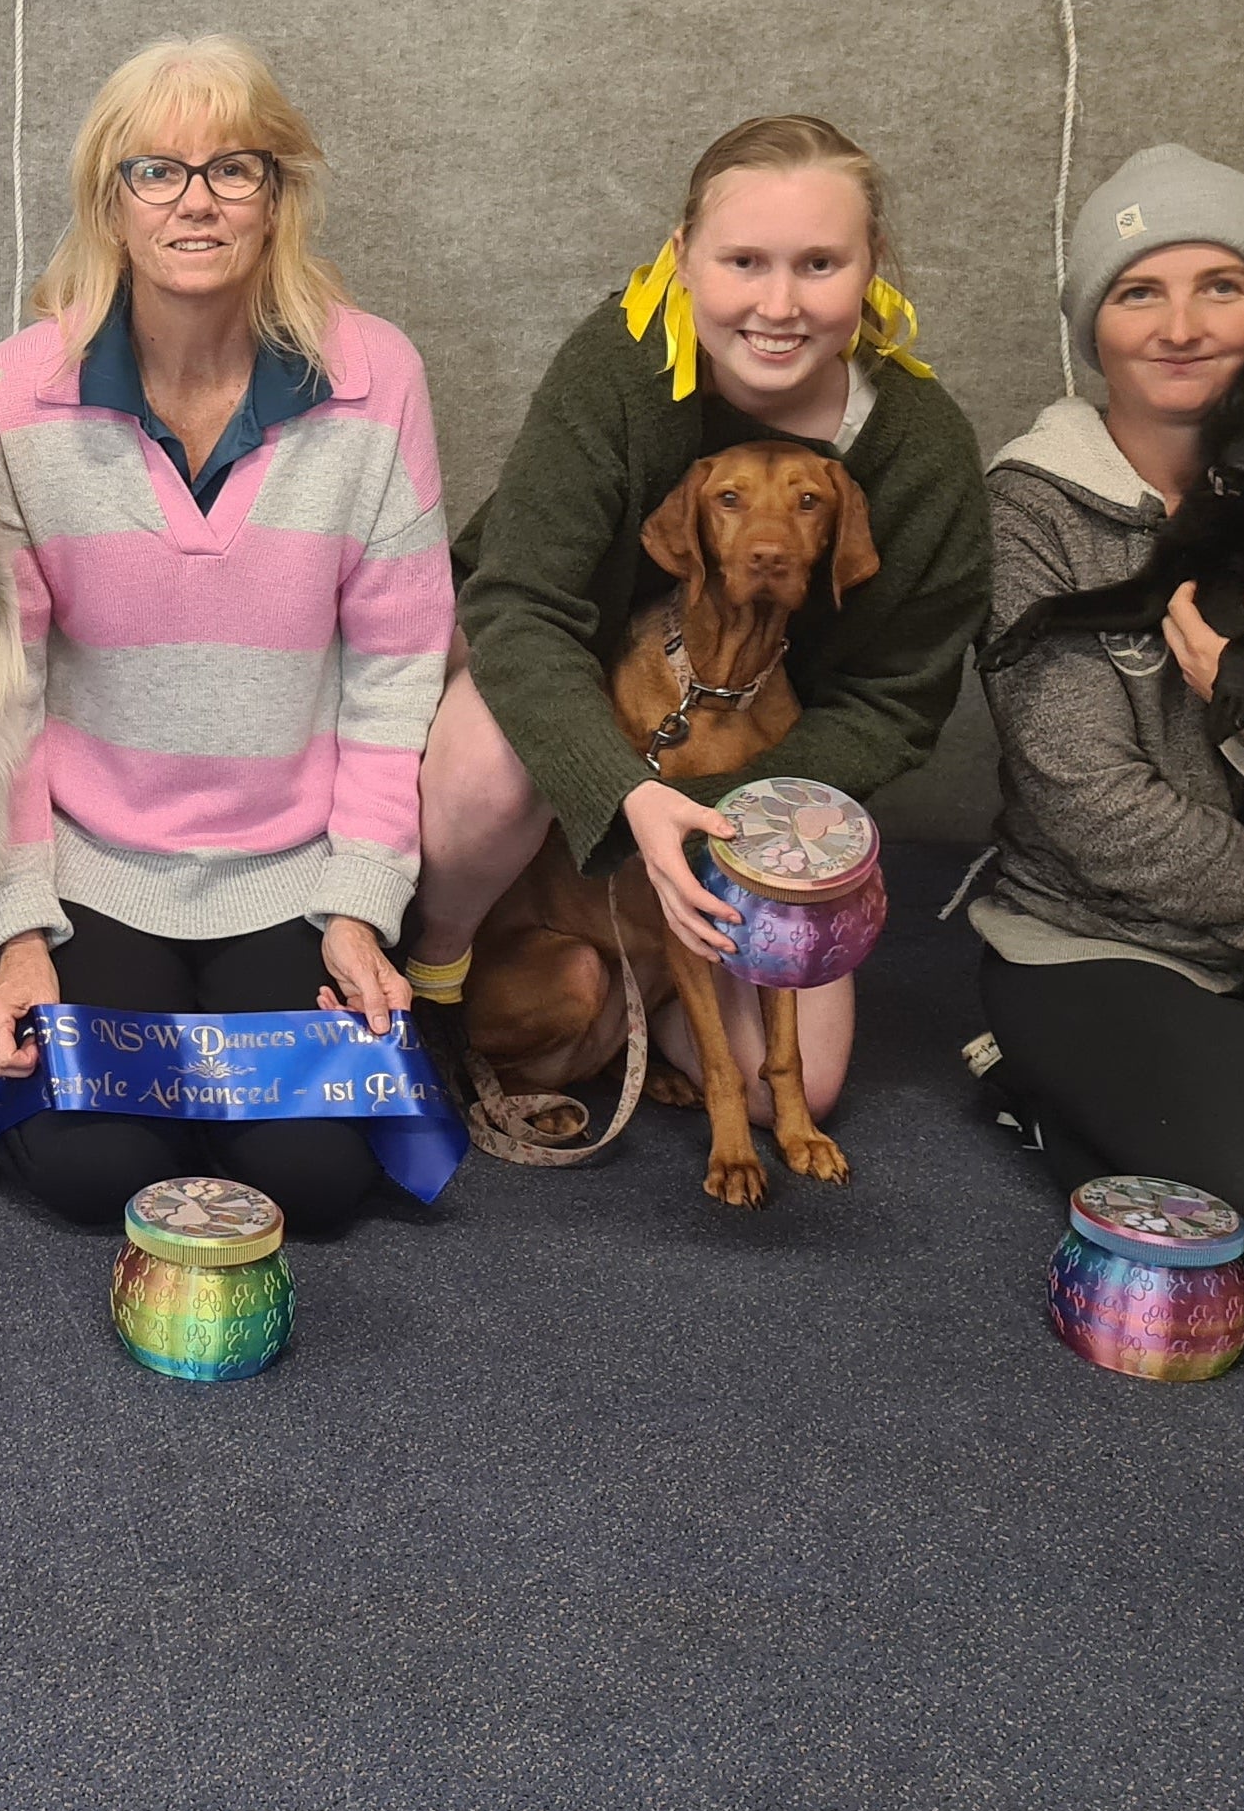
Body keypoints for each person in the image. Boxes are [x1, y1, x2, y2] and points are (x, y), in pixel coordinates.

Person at [407, 113, 989, 1115]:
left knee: (797, 1092)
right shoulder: (625, 368)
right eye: (743, 261)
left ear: (872, 266)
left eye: (818, 264)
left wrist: (729, 826)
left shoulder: (919, 450)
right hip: (546, 657)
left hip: (745, 742)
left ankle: (619, 995)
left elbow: (896, 704)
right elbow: (522, 608)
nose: (777, 304)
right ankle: (434, 978)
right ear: (682, 260)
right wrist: (630, 795)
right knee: (492, 764)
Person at [0, 35, 451, 1236]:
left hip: (290, 870)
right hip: (92, 867)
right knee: (91, 1172)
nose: (195, 200)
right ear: (106, 202)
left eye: (235, 169)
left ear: (278, 197)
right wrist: (18, 930)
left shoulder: (376, 378)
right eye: (155, 171)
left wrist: (358, 907)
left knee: (319, 1184)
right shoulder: (13, 399)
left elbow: (395, 683)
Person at [974, 145, 1244, 1313]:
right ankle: (1039, 1085)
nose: (1181, 326)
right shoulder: (1033, 508)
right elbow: (1093, 803)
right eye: (1137, 291)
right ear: (1094, 328)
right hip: (1109, 937)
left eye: (1219, 285)